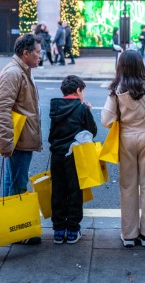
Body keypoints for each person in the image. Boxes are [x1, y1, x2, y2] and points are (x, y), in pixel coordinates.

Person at [101, 50, 145, 248]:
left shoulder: (116, 89)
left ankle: (129, 235)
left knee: (128, 186)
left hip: (126, 138)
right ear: (140, 65)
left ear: (121, 66)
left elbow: (106, 120)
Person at [0, 33, 43, 245]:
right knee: (17, 183)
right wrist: (6, 143)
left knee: (12, 181)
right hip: (18, 140)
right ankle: (18, 231)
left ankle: (11, 227)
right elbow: (0, 108)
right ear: (26, 53)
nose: (40, 56)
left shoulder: (23, 71)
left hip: (21, 137)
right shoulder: (14, 73)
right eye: (37, 52)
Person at [48, 75, 98, 245]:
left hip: (57, 155)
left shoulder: (55, 106)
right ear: (78, 91)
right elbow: (91, 132)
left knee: (58, 191)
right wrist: (89, 112)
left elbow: (52, 134)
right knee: (75, 192)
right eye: (82, 91)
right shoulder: (82, 108)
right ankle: (72, 232)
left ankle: (58, 231)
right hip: (75, 155)